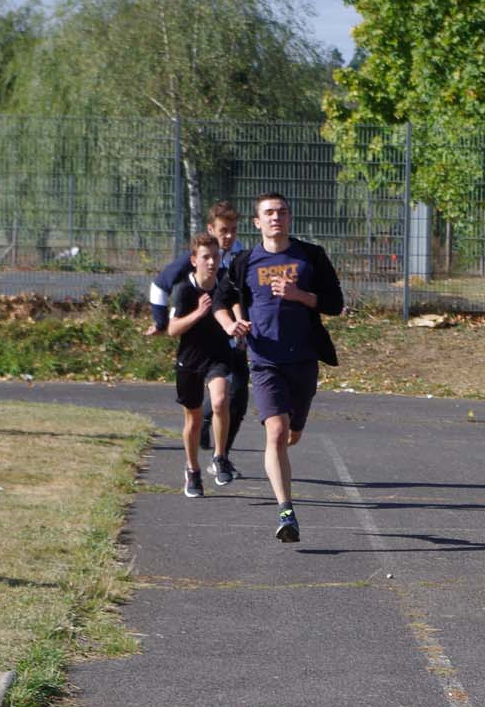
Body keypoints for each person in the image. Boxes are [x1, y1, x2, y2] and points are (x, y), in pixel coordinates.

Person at [215, 193, 344, 543]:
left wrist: (299, 294)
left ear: (289, 219)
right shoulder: (244, 261)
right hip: (264, 360)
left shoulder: (310, 256)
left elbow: (335, 304)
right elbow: (220, 301)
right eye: (269, 213)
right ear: (257, 223)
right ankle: (286, 511)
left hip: (302, 360)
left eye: (282, 212)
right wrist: (230, 325)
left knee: (291, 434)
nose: (276, 218)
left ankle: (289, 447)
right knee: (275, 432)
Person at [145, 201, 250, 470]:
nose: (228, 237)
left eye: (233, 231)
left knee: (234, 397)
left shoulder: (238, 255)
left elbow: (236, 295)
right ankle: (198, 458)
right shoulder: (190, 265)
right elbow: (159, 286)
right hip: (195, 346)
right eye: (223, 230)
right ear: (210, 230)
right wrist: (160, 320)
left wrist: (240, 322)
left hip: (227, 340)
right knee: (200, 409)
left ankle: (221, 456)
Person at [166, 233, 237, 498]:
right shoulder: (184, 289)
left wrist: (238, 328)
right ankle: (193, 470)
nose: (211, 262)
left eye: (215, 257)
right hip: (190, 360)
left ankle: (220, 456)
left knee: (220, 402)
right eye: (206, 257)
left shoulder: (224, 284)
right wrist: (198, 313)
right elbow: (173, 329)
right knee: (193, 419)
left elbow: (237, 305)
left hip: (218, 357)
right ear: (194, 260)